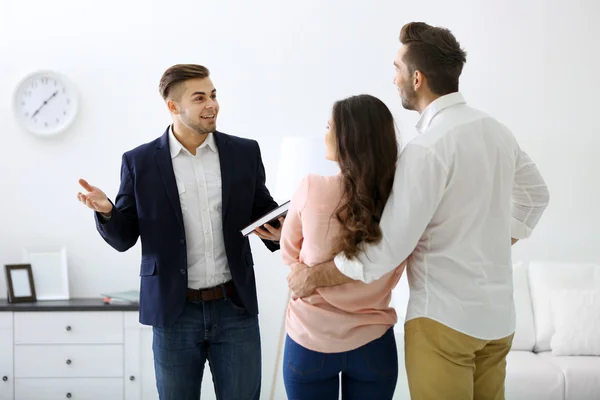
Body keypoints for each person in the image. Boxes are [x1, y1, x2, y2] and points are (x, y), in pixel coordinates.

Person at [287, 22, 550, 400]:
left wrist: (314, 277)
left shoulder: (426, 149)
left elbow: (385, 252)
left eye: (396, 68)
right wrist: (491, 240)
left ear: (417, 78)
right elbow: (536, 196)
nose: (392, 79)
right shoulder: (496, 131)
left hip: (444, 322)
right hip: (498, 322)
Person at [76, 64, 283, 400]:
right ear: (173, 107)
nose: (212, 105)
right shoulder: (140, 162)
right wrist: (108, 212)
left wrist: (282, 229)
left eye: (213, 95)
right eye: (199, 98)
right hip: (174, 313)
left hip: (235, 308)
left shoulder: (244, 153)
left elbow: (262, 210)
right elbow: (125, 237)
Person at [279, 94, 405, 400]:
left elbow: (289, 251)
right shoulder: (401, 199)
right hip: (373, 340)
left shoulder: (311, 186)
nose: (324, 134)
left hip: (311, 338)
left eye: (328, 127)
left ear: (347, 138)